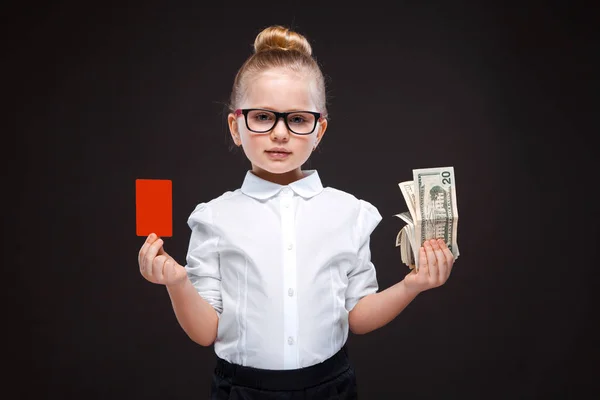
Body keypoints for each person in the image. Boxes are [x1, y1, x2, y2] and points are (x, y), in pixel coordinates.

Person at [137, 24, 455, 399]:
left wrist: (412, 285)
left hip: (331, 386)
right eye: (262, 117)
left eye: (298, 119)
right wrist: (177, 283)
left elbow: (358, 318)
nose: (280, 133)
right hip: (242, 389)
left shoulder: (349, 212)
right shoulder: (213, 217)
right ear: (235, 126)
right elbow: (206, 331)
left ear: (319, 130)